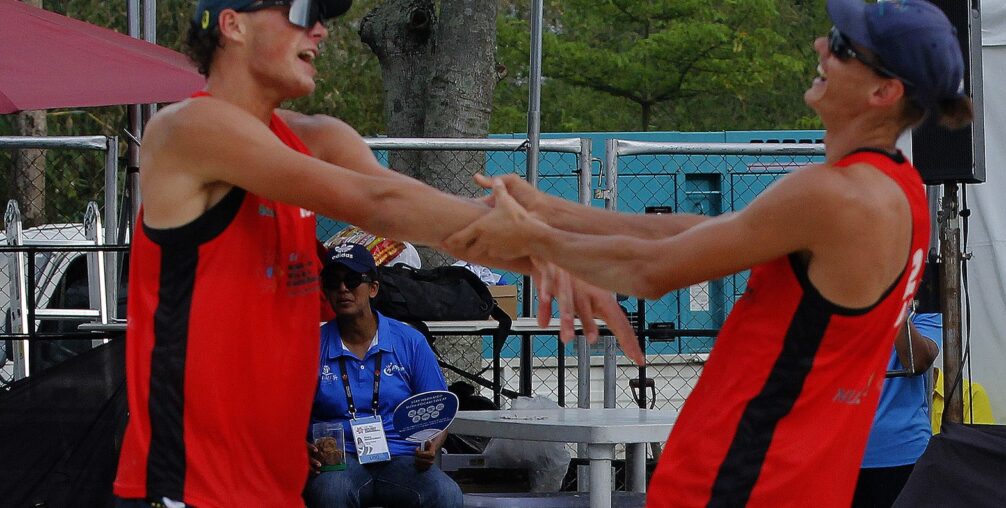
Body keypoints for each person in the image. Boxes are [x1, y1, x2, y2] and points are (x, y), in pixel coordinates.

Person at [443, 0, 973, 505]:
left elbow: (651, 272)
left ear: (884, 91)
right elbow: (697, 232)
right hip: (786, 481)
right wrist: (551, 212)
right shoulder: (898, 192)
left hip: (741, 483)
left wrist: (531, 238)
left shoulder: (835, 195)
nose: (818, 45)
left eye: (839, 44)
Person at [112, 0, 637, 506]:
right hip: (188, 485)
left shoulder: (317, 138)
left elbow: (415, 206)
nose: (318, 29)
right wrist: (554, 252)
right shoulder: (186, 130)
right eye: (301, 13)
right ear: (232, 24)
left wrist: (579, 247)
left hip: (272, 487)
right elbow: (381, 203)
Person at [305, 244, 461, 508]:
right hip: (340, 460)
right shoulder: (311, 346)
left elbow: (438, 411)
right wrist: (301, 449)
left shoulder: (410, 342)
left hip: (402, 457)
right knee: (330, 493)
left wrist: (432, 444)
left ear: (373, 288)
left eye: (353, 280)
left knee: (446, 494)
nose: (343, 289)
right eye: (333, 282)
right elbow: (287, 416)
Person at [853, 312, 941, 508]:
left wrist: (894, 301)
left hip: (903, 454)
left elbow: (916, 361)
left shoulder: (925, 309)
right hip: (839, 455)